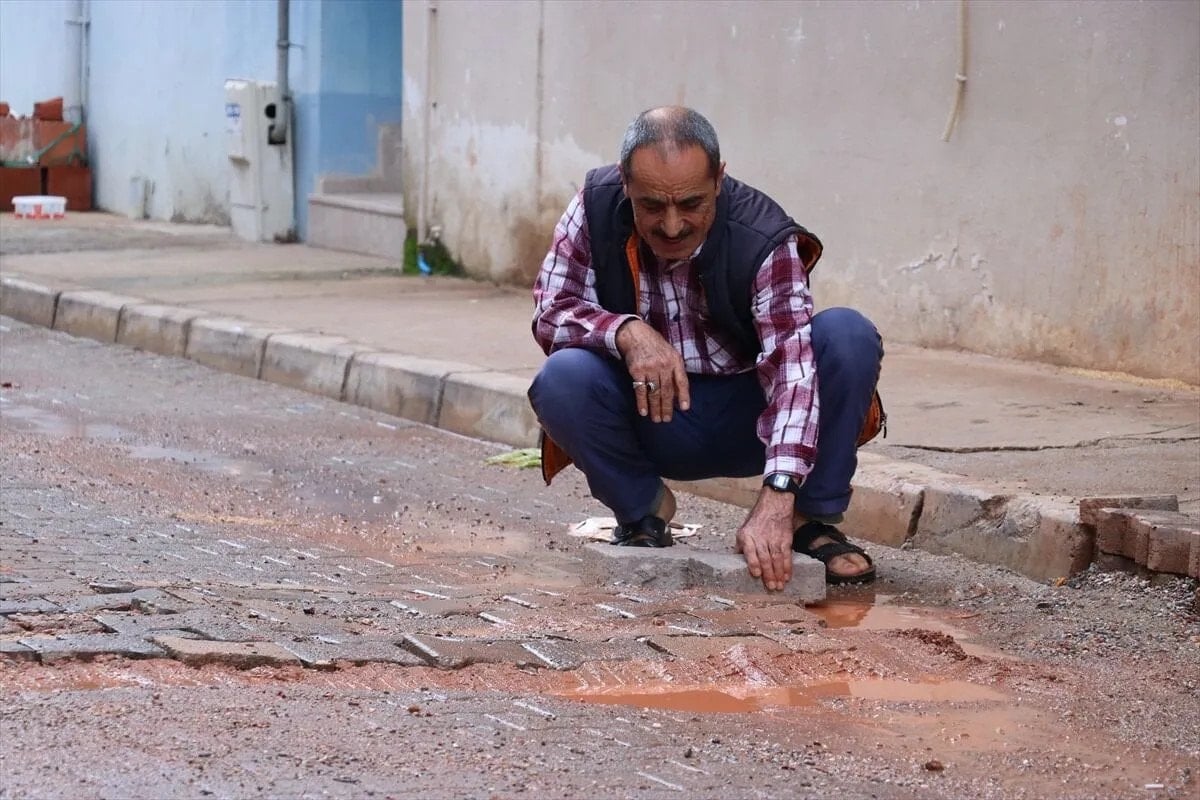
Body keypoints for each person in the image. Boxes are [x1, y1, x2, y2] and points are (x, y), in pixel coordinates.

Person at [528, 106, 883, 591]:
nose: (673, 226)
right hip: (654, 417)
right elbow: (551, 310)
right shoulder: (593, 207)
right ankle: (643, 510)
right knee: (562, 377)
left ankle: (810, 520)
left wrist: (778, 494)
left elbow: (793, 374)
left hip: (752, 421)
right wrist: (626, 332)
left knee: (847, 335)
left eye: (691, 203)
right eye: (652, 206)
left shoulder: (763, 234)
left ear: (719, 179)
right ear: (625, 183)